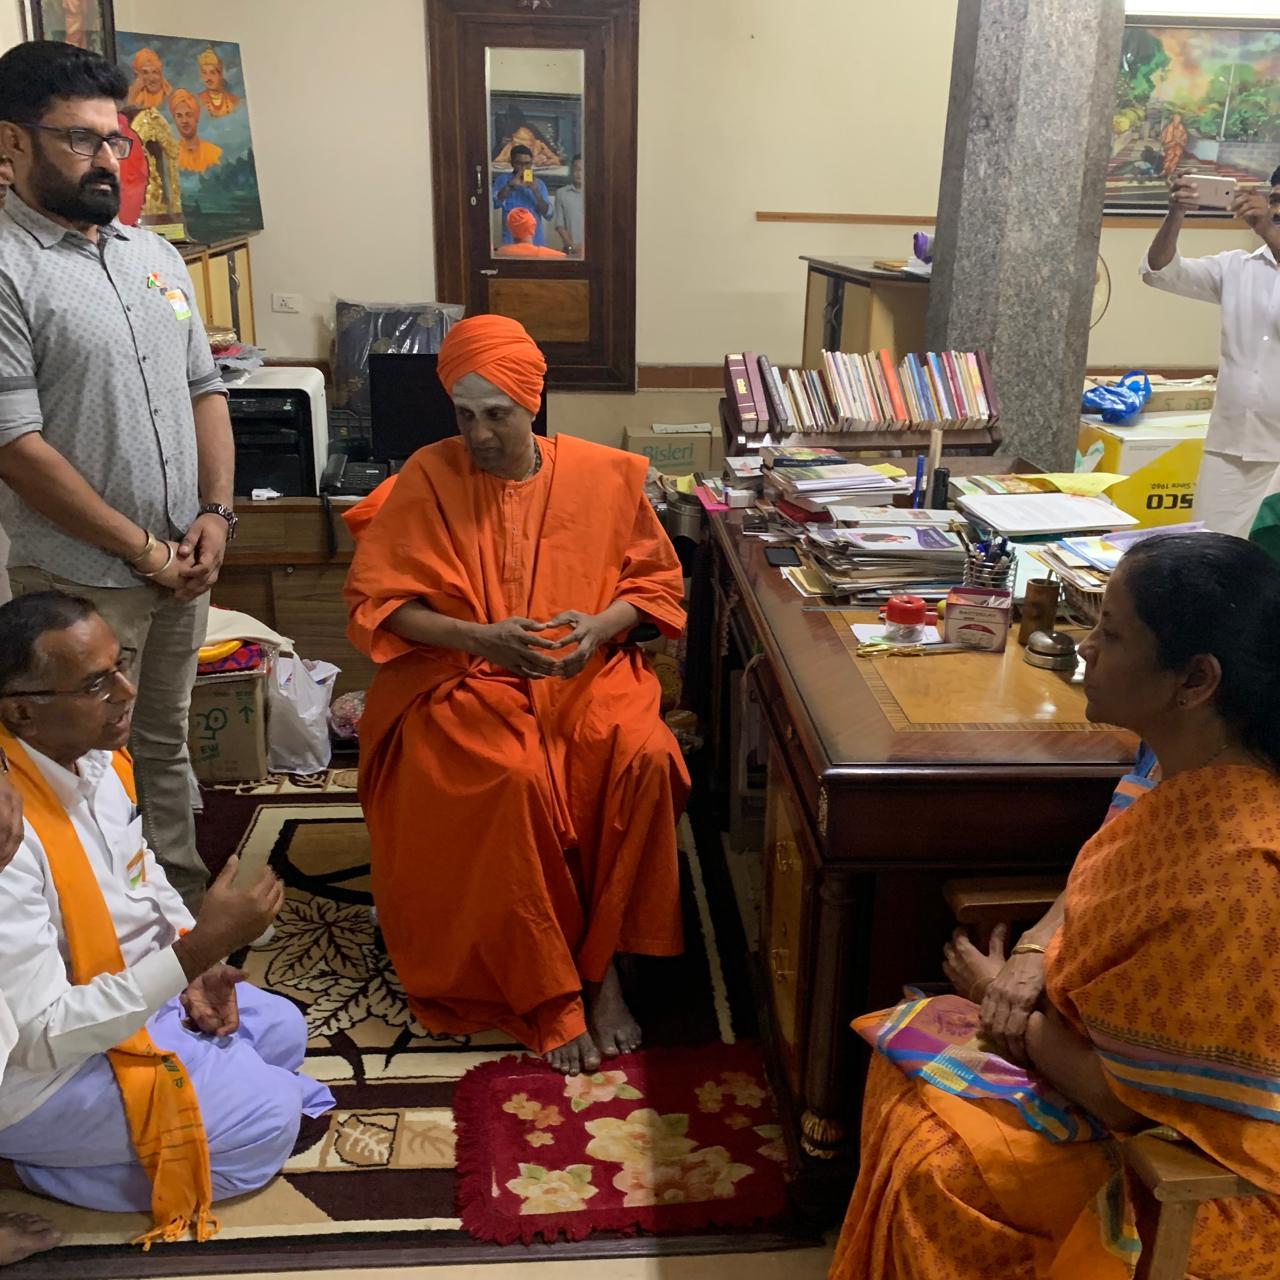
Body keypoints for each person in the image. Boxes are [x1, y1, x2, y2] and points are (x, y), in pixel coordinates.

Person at [829, 532, 1280, 1280]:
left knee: (937, 1168)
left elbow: (1129, 1103)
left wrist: (1000, 1005)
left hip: (1191, 1176)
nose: (1085, 648)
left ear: (1195, 680)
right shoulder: (1177, 767)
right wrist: (1032, 958)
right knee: (900, 1062)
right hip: (1092, 1061)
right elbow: (1100, 889)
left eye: (1112, 633)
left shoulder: (1241, 873)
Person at [344, 315, 689, 1076]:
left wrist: (598, 629)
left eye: (496, 414)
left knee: (646, 759)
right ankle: (549, 989)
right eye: (464, 415)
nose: (479, 434)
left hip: (586, 673)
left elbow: (655, 587)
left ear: (532, 403)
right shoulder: (428, 477)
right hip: (458, 676)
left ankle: (606, 970)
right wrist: (482, 639)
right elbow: (381, 605)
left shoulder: (602, 476)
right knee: (513, 777)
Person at [0, 592, 333, 1245]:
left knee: (283, 1033)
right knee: (269, 1122)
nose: (126, 691)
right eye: (96, 684)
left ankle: (193, 1092)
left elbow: (141, 874)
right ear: (21, 711)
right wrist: (196, 950)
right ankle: (23, 1166)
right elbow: (43, 1036)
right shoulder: (9, 841)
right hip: (40, 1074)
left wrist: (193, 961)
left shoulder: (97, 759)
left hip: (123, 997)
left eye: (120, 666)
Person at [0, 41, 238, 911]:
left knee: (165, 739)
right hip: (83, 580)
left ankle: (181, 911)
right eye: (79, 139)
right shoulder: (7, 267)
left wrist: (215, 514)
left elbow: (205, 388)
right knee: (85, 763)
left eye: (115, 140)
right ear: (12, 143)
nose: (106, 159)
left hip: (183, 564)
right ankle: (100, 925)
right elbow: (16, 446)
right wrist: (143, 550)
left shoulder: (154, 257)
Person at [1141, 165, 1280, 537]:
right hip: (1233, 445)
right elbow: (1159, 271)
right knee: (1211, 550)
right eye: (1274, 200)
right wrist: (1176, 214)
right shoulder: (1238, 267)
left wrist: (1267, 231)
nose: (1276, 211)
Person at [492, 144, 551, 246]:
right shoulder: (503, 180)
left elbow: (548, 214)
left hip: (535, 242)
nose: (523, 168)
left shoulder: (539, 184)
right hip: (511, 242)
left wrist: (536, 192)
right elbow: (494, 204)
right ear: (512, 163)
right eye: (519, 163)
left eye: (527, 164)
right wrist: (509, 186)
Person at [169, 89, 222, 174]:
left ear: (196, 117)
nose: (184, 121)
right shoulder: (171, 157)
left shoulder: (214, 153)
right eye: (179, 116)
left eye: (188, 115)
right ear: (174, 120)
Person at [496, 206, 566, 259]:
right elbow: (564, 257)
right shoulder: (547, 255)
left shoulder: (501, 252)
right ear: (533, 228)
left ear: (509, 227)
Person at [552, 154, 584, 257]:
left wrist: (583, 248)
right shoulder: (561, 193)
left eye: (582, 170)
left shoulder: (596, 194)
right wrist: (571, 247)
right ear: (571, 171)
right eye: (576, 169)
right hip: (570, 250)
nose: (579, 173)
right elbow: (559, 225)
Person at [195, 48, 240, 118]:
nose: (208, 78)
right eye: (204, 73)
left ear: (220, 74)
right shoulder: (197, 101)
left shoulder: (234, 101)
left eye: (212, 73)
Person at [1160, 110, 1187, 179]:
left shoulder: (1181, 127)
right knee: (1169, 158)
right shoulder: (1169, 127)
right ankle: (1165, 170)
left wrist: (1180, 141)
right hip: (1170, 146)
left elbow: (1184, 137)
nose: (1177, 119)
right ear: (1173, 118)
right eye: (1176, 117)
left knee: (1175, 159)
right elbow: (1165, 137)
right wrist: (1173, 141)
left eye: (1179, 118)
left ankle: (1171, 173)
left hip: (1178, 147)